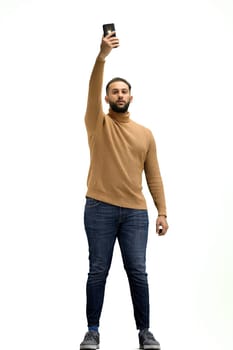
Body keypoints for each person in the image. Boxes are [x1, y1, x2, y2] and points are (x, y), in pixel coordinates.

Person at [80, 30, 169, 350]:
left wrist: (162, 211)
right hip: (99, 207)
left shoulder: (145, 134)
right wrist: (101, 56)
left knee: (138, 273)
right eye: (113, 91)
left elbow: (154, 175)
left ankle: (145, 332)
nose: (119, 95)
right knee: (97, 271)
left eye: (124, 91)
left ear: (131, 97)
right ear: (106, 98)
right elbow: (92, 89)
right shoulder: (98, 124)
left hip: (135, 212)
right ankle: (92, 331)